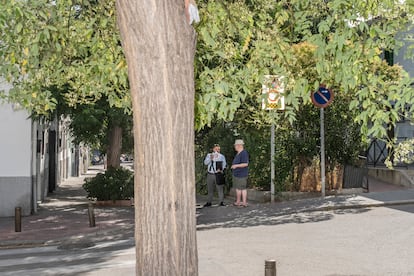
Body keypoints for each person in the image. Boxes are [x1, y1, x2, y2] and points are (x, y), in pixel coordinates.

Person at [231, 139, 249, 207]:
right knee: (238, 188)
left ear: (239, 145)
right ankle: (238, 201)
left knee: (242, 188)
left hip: (242, 174)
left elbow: (245, 164)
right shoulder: (238, 153)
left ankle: (244, 202)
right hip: (237, 174)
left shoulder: (244, 153)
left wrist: (236, 166)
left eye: (235, 145)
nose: (235, 147)